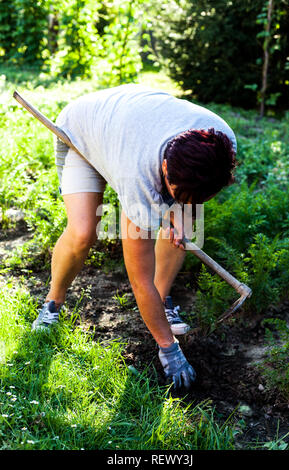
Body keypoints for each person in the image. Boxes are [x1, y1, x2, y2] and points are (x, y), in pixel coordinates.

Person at [31, 84, 237, 389]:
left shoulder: (221, 143)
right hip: (84, 131)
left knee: (181, 228)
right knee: (84, 232)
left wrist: (182, 211)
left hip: (128, 126)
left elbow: (190, 197)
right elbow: (138, 277)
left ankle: (162, 302)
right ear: (165, 168)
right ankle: (52, 304)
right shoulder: (138, 178)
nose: (187, 201)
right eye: (177, 192)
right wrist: (170, 350)